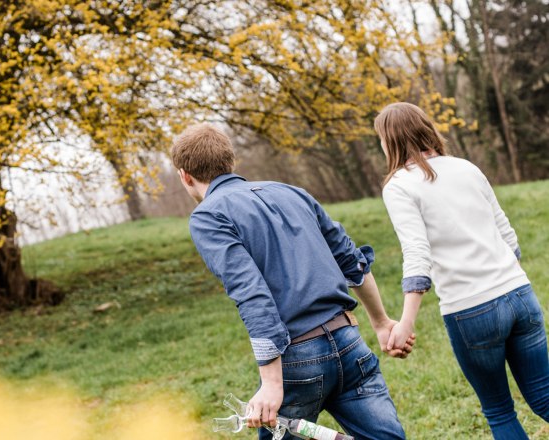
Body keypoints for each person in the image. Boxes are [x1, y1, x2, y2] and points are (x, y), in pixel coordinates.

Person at [171, 123, 413, 440]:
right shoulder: (291, 192)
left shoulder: (208, 216)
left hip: (297, 361)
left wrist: (272, 383)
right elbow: (351, 259)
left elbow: (251, 293)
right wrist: (380, 321)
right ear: (231, 161)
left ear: (185, 176)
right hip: (349, 341)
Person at [377, 102, 549, 439]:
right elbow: (507, 235)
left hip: (471, 311)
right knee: (545, 395)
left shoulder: (399, 185)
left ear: (389, 141)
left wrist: (406, 323)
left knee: (499, 411)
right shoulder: (466, 167)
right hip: (520, 295)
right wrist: (509, 282)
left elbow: (417, 254)